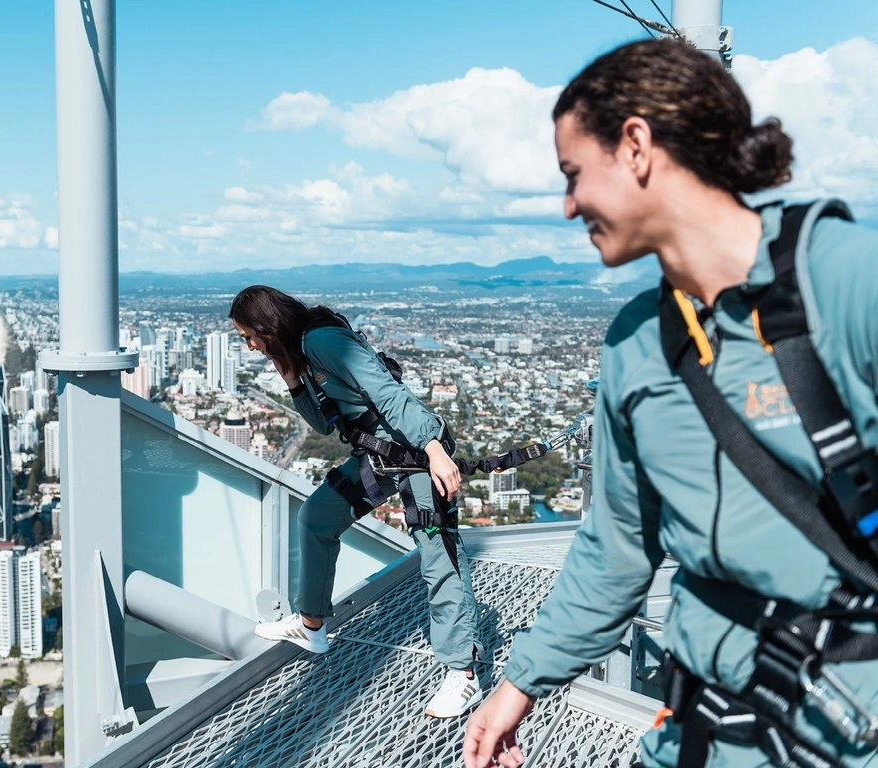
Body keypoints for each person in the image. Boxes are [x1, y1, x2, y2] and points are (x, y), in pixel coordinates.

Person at [463, 38, 878, 768]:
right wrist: (518, 686)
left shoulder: (843, 282)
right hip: (700, 728)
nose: (566, 207)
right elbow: (618, 549)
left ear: (635, 146)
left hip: (845, 730)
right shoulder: (637, 346)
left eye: (572, 175)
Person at [229, 285, 483, 719]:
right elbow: (323, 424)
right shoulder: (303, 352)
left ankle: (464, 675)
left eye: (248, 335)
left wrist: (436, 448)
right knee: (315, 520)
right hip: (379, 458)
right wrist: (290, 375)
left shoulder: (322, 340)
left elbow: (386, 392)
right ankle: (312, 627)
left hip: (415, 454)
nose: (249, 345)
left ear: (265, 325)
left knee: (439, 556)